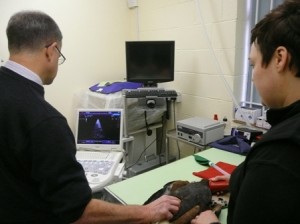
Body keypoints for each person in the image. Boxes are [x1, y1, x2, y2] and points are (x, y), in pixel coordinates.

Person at [0, 10, 180, 224]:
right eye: (60, 56)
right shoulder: (45, 121)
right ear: (51, 50)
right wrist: (147, 212)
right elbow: (78, 212)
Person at [191, 0, 300, 223]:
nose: (252, 76)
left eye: (253, 64)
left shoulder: (278, 156)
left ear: (280, 58)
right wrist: (244, 179)